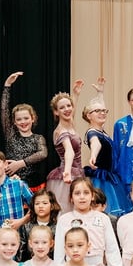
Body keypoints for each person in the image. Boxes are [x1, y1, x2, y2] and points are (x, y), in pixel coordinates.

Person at [54, 177, 123, 266]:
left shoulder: (103, 219)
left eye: (86, 193)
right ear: (71, 198)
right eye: (77, 193)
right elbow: (59, 253)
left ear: (92, 196)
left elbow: (112, 249)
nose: (82, 197)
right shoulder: (64, 220)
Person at [81, 81, 130, 217]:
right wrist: (93, 155)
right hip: (101, 180)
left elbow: (100, 109)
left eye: (104, 111)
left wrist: (100, 93)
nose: (102, 113)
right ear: (88, 116)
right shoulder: (92, 132)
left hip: (109, 176)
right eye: (97, 111)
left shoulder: (101, 130)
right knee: (103, 210)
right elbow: (96, 143)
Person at [0, 72, 49, 190]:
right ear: (14, 122)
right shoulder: (11, 134)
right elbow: (4, 110)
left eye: (26, 118)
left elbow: (43, 153)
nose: (23, 122)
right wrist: (7, 86)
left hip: (34, 186)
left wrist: (20, 164)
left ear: (33, 118)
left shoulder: (38, 138)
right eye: (19, 119)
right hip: (12, 184)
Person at [45, 83, 85, 214]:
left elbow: (71, 112)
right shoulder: (60, 131)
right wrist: (67, 171)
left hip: (77, 173)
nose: (67, 109)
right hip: (67, 175)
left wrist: (76, 95)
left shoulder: (70, 123)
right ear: (56, 112)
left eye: (69, 106)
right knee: (67, 211)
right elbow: (69, 151)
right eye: (62, 108)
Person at [0, 150, 33, 234]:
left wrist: (21, 221)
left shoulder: (19, 185)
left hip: (17, 237)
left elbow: (35, 207)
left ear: (5, 164)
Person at [19, 188, 59, 262]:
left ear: (52, 206)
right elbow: (21, 254)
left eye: (44, 203)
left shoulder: (58, 228)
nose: (40, 206)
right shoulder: (25, 227)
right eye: (37, 203)